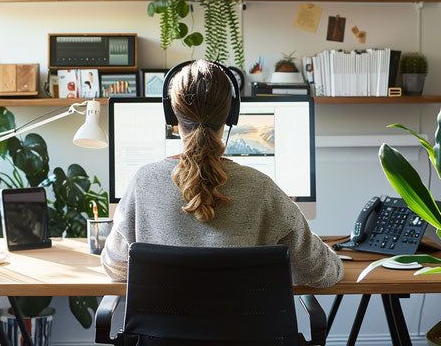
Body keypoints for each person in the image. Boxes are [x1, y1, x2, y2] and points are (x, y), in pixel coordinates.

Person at [101, 60, 343, 287]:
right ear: (231, 115)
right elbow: (320, 272)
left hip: (155, 333)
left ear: (172, 115)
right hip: (246, 333)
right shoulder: (262, 188)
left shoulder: (144, 183)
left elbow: (115, 266)